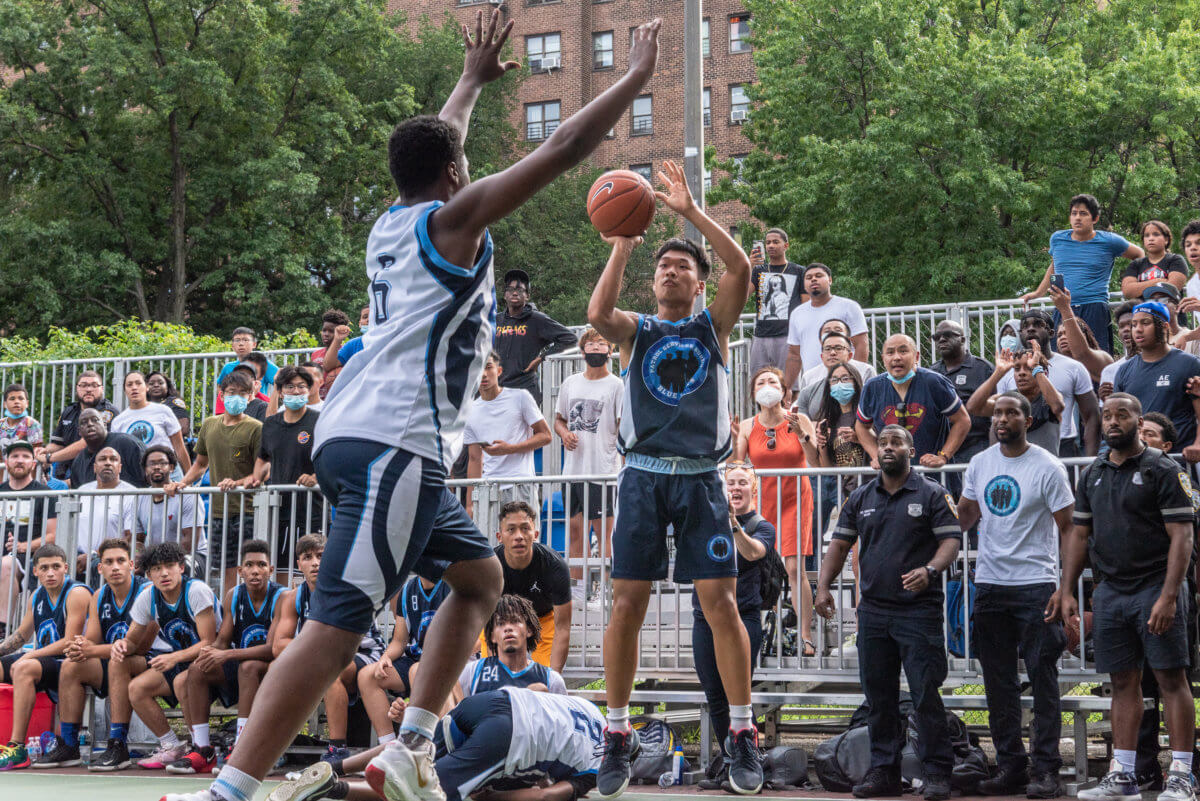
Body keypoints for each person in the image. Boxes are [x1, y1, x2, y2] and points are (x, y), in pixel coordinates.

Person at [166, 15, 662, 801]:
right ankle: (227, 790)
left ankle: (411, 747)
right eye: (462, 162)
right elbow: (561, 149)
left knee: (479, 577)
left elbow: (442, 143)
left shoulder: (390, 223)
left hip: (370, 437)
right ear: (456, 176)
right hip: (393, 442)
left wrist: (468, 77)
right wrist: (634, 80)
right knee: (334, 628)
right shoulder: (455, 220)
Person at [587, 156, 762, 797]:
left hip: (699, 478)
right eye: (663, 266)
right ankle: (616, 732)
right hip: (641, 477)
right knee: (627, 605)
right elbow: (598, 312)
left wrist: (690, 212)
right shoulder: (638, 331)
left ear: (698, 282)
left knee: (720, 604)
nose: (670, 270)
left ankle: (741, 733)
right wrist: (624, 247)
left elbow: (742, 268)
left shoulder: (711, 327)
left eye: (682, 266)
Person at [1057, 394, 1198, 801]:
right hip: (1111, 590)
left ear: (1139, 421)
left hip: (1156, 587)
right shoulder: (1094, 473)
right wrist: (1067, 589)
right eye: (1107, 416)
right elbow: (1079, 534)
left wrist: (1170, 595)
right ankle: (1123, 775)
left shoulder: (1164, 468)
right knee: (1121, 681)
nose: (1113, 421)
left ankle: (1182, 775)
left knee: (1172, 678)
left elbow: (1183, 535)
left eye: (1123, 414)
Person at [814, 425, 961, 801]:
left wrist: (930, 571)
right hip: (874, 613)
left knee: (925, 694)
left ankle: (937, 772)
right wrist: (823, 586)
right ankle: (884, 771)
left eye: (896, 442)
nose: (888, 448)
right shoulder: (861, 496)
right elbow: (840, 543)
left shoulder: (931, 493)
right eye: (882, 443)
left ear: (911, 449)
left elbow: (951, 540)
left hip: (918, 614)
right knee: (878, 698)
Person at [955, 393, 1075, 798]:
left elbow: (1069, 529)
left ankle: (1046, 770)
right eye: (997, 413)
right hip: (990, 585)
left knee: (1043, 679)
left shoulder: (1047, 466)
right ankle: (1011, 766)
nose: (1002, 419)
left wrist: (1065, 587)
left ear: (1027, 419)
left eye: (1011, 413)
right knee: (998, 683)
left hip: (1036, 585)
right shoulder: (980, 463)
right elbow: (965, 518)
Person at [270, 688, 605, 801]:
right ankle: (334, 787)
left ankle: (337, 767)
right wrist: (492, 796)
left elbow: (544, 698)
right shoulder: (597, 767)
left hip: (490, 703)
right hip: (511, 736)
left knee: (414, 748)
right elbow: (544, 796)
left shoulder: (592, 710)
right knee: (420, 790)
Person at [168, 540, 283, 775]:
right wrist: (210, 653)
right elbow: (223, 640)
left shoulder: (283, 597)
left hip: (274, 670)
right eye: (249, 565)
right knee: (197, 669)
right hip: (241, 667)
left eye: (261, 565)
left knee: (249, 667)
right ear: (240, 571)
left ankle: (244, 749)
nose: (255, 570)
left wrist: (226, 653)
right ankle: (203, 750)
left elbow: (272, 649)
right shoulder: (234, 594)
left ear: (271, 570)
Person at [33, 538, 148, 769]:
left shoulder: (146, 591)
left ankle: (118, 745)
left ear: (132, 565)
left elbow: (135, 647)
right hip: (112, 659)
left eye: (120, 561)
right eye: (109, 562)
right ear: (100, 567)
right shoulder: (99, 596)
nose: (115, 566)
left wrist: (90, 648)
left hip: (150, 661)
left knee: (118, 661)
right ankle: (68, 745)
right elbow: (92, 639)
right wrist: (79, 646)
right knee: (71, 664)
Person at [694, 463, 776, 788]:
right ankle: (730, 764)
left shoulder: (761, 525)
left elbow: (755, 553)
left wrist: (732, 526)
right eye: (731, 483)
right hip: (703, 619)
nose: (736, 489)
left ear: (753, 488)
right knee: (714, 693)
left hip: (744, 619)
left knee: (737, 695)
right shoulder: (702, 523)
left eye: (743, 482)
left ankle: (750, 761)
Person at [273, 540, 387, 766]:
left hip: (364, 656)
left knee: (329, 671)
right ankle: (275, 745)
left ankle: (337, 748)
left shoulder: (346, 590)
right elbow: (279, 645)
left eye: (321, 556)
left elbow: (342, 643)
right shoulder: (293, 597)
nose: (315, 563)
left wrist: (306, 650)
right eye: (307, 558)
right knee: (275, 670)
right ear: (299, 564)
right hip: (320, 658)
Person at [110, 541, 219, 771]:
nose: (164, 573)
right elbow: (132, 640)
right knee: (137, 688)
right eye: (157, 569)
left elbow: (210, 643)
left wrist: (174, 658)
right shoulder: (148, 597)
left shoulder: (196, 591)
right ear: (148, 574)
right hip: (184, 661)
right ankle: (172, 746)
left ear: (181, 567)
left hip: (216, 662)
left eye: (170, 565)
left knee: (182, 680)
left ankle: (200, 750)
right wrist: (121, 645)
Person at [733, 367, 816, 655]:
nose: (767, 386)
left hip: (795, 498)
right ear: (754, 393)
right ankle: (755, 632)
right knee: (760, 568)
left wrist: (803, 435)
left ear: (783, 390)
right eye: (761, 383)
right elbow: (738, 467)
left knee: (794, 568)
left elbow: (816, 461)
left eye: (772, 382)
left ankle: (805, 635)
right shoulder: (746, 425)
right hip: (763, 502)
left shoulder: (799, 418)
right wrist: (733, 443)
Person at [167, 369, 263, 592]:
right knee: (226, 566)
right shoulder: (209, 425)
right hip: (220, 510)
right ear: (221, 394)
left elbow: (261, 471)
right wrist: (183, 483)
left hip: (249, 508)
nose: (236, 397)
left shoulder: (256, 428)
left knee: (251, 565)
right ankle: (229, 612)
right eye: (231, 392)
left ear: (251, 396)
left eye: (242, 393)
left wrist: (237, 483)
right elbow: (200, 464)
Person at [0, 544, 91, 770]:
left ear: (66, 568)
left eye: (56, 567)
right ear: (35, 572)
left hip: (70, 662)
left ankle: (17, 748)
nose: (50, 573)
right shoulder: (37, 595)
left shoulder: (77, 593)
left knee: (24, 667)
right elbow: (22, 634)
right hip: (42, 661)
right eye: (44, 568)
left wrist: (28, 656)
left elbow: (70, 640)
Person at [1021, 193, 1144, 353]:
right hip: (1063, 306)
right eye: (1074, 213)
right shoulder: (1057, 238)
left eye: (1083, 213)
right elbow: (1055, 265)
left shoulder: (1110, 241)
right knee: (1061, 356)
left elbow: (1139, 254)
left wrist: (1133, 285)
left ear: (1095, 218)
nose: (1077, 218)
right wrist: (1038, 293)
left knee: (1096, 356)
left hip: (1094, 307)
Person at [554, 327, 622, 598]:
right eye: (591, 344)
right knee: (574, 531)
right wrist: (563, 433)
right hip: (573, 470)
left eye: (602, 343)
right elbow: (559, 419)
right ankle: (579, 593)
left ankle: (606, 592)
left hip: (603, 471)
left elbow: (623, 427)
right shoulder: (570, 383)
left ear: (610, 350)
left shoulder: (616, 385)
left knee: (603, 534)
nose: (596, 348)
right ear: (582, 351)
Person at [358, 574, 450, 744]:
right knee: (368, 676)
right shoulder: (407, 590)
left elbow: (473, 639)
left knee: (419, 671)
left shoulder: (454, 585)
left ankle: (425, 746)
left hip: (450, 661)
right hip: (416, 659)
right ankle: (389, 746)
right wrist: (385, 657)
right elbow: (399, 641)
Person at [994, 309, 1100, 456]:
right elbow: (996, 418)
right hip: (1020, 448)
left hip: (1063, 449)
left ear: (1051, 333)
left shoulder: (1073, 367)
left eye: (1038, 324)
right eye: (1025, 326)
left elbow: (1091, 415)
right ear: (1021, 334)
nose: (1030, 329)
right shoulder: (1008, 372)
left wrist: (1090, 460)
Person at [855, 334, 972, 465]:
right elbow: (861, 426)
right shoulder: (872, 387)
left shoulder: (934, 383)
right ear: (883, 359)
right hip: (891, 478)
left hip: (933, 476)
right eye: (890, 352)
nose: (896, 357)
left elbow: (962, 420)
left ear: (916, 356)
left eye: (903, 351)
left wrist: (943, 456)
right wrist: (876, 455)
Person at [463, 353, 552, 524]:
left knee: (527, 543)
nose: (483, 374)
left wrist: (509, 448)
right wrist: (470, 504)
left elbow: (545, 435)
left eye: (488, 367)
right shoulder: (470, 410)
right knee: (491, 546)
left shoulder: (520, 397)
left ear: (499, 371)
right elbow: (474, 458)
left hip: (520, 484)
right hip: (488, 489)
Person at [248, 365, 322, 572]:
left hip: (312, 508)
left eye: (301, 387)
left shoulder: (319, 421)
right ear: (280, 392)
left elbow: (333, 460)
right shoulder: (270, 424)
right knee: (281, 567)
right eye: (289, 387)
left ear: (309, 390)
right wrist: (255, 478)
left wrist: (316, 477)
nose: (296, 391)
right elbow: (263, 459)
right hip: (279, 508)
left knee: (313, 566)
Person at [487, 501, 572, 672]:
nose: (519, 536)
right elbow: (486, 621)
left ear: (535, 534)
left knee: (544, 679)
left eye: (525, 528)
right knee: (495, 680)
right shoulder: (490, 566)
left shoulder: (554, 565)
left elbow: (562, 629)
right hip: (501, 622)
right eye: (511, 529)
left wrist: (552, 681)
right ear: (499, 536)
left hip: (543, 619)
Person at [1112, 302, 1200, 461]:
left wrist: (1198, 445)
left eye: (1145, 323)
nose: (1138, 329)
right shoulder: (1124, 371)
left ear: (1165, 326)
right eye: (1134, 324)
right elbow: (1119, 418)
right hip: (1137, 462)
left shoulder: (1189, 364)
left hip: (1178, 460)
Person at [457, 594, 567, 704]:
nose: (508, 628)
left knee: (538, 689)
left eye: (514, 621)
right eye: (500, 623)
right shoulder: (471, 674)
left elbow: (564, 719)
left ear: (529, 630)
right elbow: (453, 717)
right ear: (492, 636)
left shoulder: (551, 680)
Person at [782, 263, 869, 391]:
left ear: (830, 280)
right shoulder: (797, 313)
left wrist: (855, 377)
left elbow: (861, 344)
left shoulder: (849, 307)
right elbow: (794, 355)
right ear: (804, 284)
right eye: (809, 277)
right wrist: (787, 388)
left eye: (818, 276)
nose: (813, 279)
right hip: (814, 383)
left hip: (844, 382)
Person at [0, 441, 57, 634]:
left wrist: (23, 546)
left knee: (6, 564)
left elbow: (51, 536)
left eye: (25, 456)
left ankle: (3, 630)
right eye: (15, 456)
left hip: (27, 558)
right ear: (6, 462)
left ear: (33, 463)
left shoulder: (45, 494)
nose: (19, 460)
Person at [494, 268, 578, 398]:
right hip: (497, 388)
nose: (515, 293)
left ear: (527, 295)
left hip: (524, 388)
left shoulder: (536, 319)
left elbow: (570, 339)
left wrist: (541, 358)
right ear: (505, 295)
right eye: (510, 290)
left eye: (520, 290)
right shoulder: (496, 320)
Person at [966, 347, 1066, 455]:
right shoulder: (1006, 400)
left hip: (1041, 469)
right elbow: (973, 407)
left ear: (1042, 372)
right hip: (1009, 469)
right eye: (1017, 368)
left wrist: (1036, 367)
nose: (1021, 373)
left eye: (1029, 368)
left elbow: (1057, 406)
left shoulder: (1049, 399)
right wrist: (998, 373)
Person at [929, 319, 995, 475]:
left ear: (963, 339)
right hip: (942, 449)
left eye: (948, 335)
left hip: (975, 447)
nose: (942, 339)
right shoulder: (932, 372)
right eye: (937, 337)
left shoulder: (982, 369)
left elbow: (995, 409)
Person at [44, 370, 119, 483]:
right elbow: (58, 444)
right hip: (66, 468)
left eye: (94, 385)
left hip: (95, 471)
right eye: (83, 385)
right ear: (77, 388)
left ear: (102, 389)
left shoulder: (108, 412)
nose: (88, 389)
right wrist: (41, 453)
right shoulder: (69, 411)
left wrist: (49, 458)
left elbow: (84, 445)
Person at [749, 228, 806, 375]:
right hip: (761, 335)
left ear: (786, 245)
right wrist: (749, 266)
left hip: (788, 336)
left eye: (775, 242)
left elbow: (806, 306)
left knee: (789, 385)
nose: (770, 246)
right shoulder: (758, 271)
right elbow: (743, 293)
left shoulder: (798, 271)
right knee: (759, 382)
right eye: (767, 243)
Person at [112, 371, 192, 476]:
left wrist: (189, 479)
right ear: (125, 390)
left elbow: (179, 448)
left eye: (138, 383)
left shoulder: (163, 411)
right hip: (138, 476)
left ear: (146, 387)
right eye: (129, 385)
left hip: (169, 473)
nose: (134, 387)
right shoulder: (118, 422)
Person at [75, 447, 137, 579]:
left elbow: (129, 537)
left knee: (95, 566)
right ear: (95, 467)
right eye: (103, 459)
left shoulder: (130, 494)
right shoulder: (83, 490)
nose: (108, 463)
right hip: (78, 556)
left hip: (110, 558)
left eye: (113, 459)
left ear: (119, 467)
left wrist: (95, 555)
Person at [135, 445, 207, 553]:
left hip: (192, 556)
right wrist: (138, 556)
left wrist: (161, 561)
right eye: (152, 464)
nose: (156, 467)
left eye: (162, 463)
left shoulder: (187, 496)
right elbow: (138, 540)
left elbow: (189, 544)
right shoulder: (140, 498)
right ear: (145, 469)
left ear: (172, 468)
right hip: (155, 559)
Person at [794, 329, 876, 416]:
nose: (832, 353)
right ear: (822, 357)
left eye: (838, 348)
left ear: (850, 356)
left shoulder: (865, 374)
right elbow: (801, 419)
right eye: (828, 349)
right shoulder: (808, 388)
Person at [61, 407, 145, 487]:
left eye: (95, 420)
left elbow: (147, 480)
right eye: (84, 422)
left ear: (104, 424)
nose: (90, 424)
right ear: (79, 431)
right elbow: (79, 495)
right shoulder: (78, 461)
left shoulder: (127, 444)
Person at [1049, 286, 1116, 380]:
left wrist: (1065, 309)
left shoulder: (1103, 359)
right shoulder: (1054, 367)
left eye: (1067, 333)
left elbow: (1082, 354)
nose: (1062, 337)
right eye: (1059, 335)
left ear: (1084, 335)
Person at [214, 328, 277, 414]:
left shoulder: (264, 364)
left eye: (245, 340)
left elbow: (281, 379)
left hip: (258, 411)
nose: (241, 344)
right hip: (233, 411)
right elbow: (220, 386)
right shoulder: (228, 367)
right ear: (232, 345)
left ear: (254, 344)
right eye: (237, 340)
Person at [1122, 220, 1187, 299]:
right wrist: (1158, 281)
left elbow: (1171, 289)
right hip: (1140, 309)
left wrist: (1139, 288)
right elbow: (1128, 292)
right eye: (1147, 235)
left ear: (1166, 240)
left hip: (1168, 309)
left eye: (1156, 234)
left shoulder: (1176, 260)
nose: (1151, 238)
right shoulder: (1136, 264)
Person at [0, 384, 43, 476]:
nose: (16, 402)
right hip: (5, 477)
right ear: (4, 404)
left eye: (20, 398)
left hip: (27, 476)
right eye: (12, 399)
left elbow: (36, 458)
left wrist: (29, 486)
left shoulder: (32, 425)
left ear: (27, 403)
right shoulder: (0, 425)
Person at [1100, 303, 1139, 401]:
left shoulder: (1158, 362)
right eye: (1121, 326)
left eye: (1131, 324)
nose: (1126, 329)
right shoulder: (1110, 370)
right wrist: (1106, 400)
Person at [320, 305, 371, 377]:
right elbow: (328, 366)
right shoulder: (353, 345)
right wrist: (337, 339)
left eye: (373, 316)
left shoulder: (390, 341)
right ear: (360, 323)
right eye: (365, 317)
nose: (368, 319)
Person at [312, 308, 351, 399]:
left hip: (338, 398)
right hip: (319, 400)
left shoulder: (346, 353)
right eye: (324, 330)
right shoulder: (315, 354)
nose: (326, 334)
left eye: (331, 331)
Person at [146, 371, 192, 440]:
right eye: (151, 384)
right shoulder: (142, 407)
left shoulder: (174, 402)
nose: (156, 385)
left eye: (160, 383)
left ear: (167, 387)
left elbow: (183, 428)